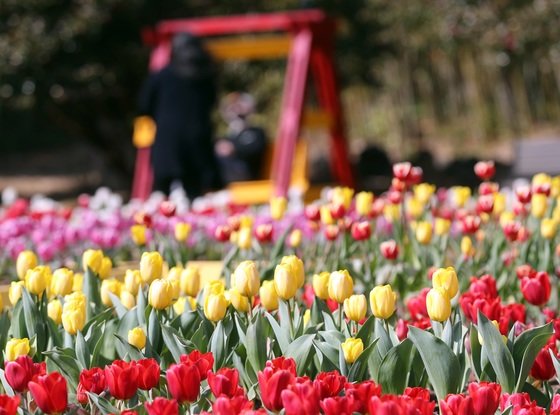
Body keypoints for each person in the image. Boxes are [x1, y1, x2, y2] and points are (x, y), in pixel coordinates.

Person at [138, 32, 222, 198]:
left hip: (167, 140)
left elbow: (144, 106)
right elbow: (212, 103)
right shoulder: (205, 77)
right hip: (198, 139)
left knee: (162, 191)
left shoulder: (161, 76)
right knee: (196, 192)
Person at [215, 92, 267, 184]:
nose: (236, 111)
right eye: (232, 107)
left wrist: (233, 148)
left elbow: (256, 149)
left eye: (239, 106)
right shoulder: (226, 137)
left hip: (248, 178)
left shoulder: (256, 132)